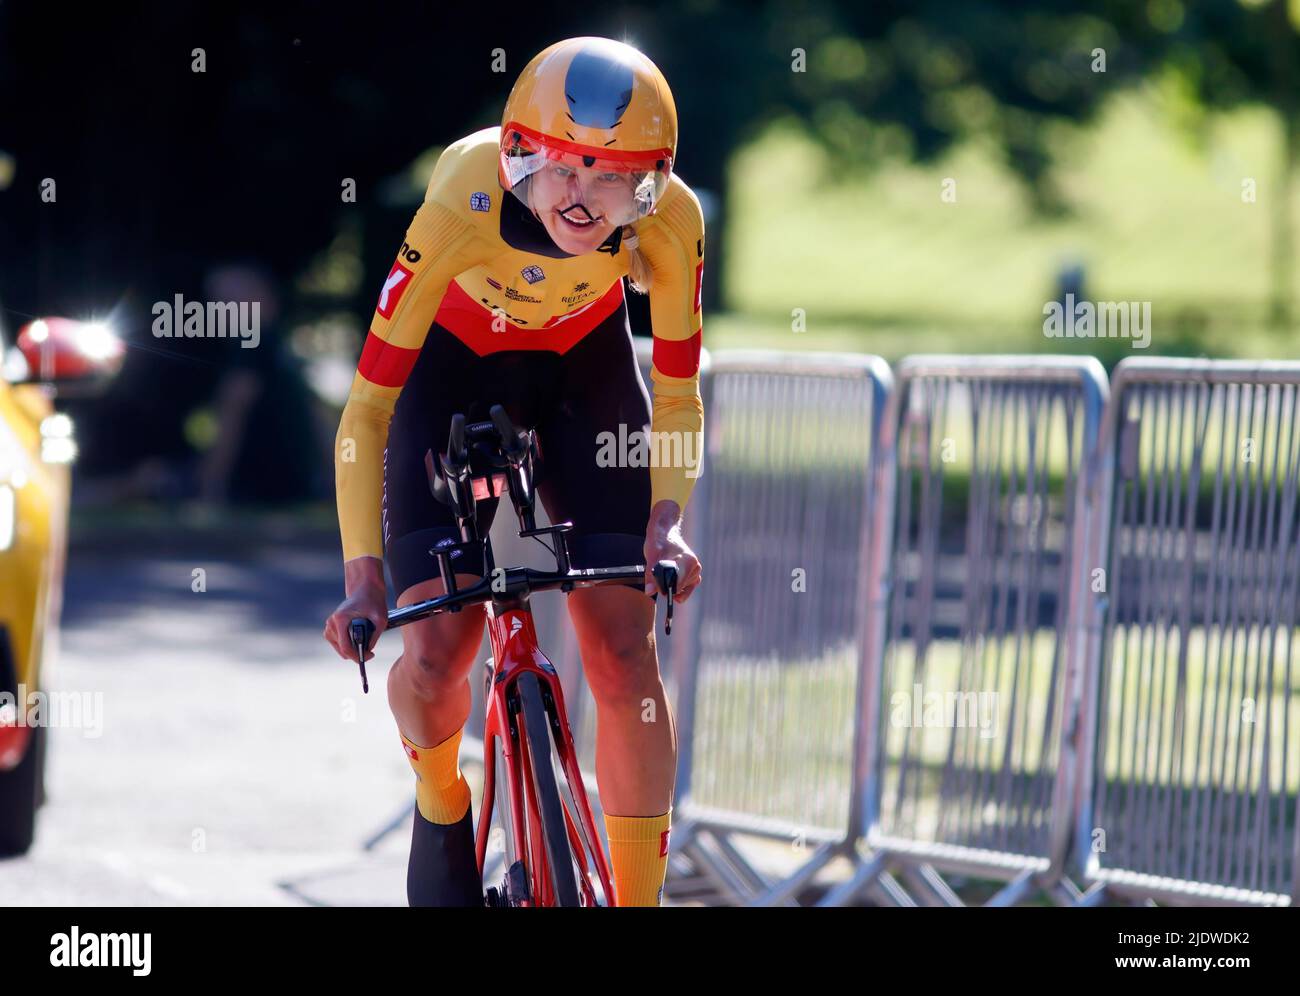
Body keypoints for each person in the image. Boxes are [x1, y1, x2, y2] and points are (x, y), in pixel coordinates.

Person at [322, 36, 705, 907]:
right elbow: (368, 411)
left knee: (621, 653)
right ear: (517, 152)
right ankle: (441, 792)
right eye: (563, 167)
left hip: (583, 372)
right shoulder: (465, 195)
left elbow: (678, 392)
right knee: (435, 657)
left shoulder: (672, 223)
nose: (581, 198)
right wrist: (362, 579)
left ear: (648, 183)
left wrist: (668, 520)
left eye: (612, 178)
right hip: (449, 373)